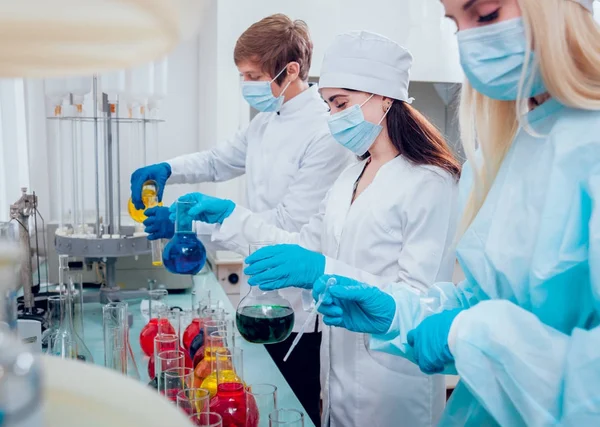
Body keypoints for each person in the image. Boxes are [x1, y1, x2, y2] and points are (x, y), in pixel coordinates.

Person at [311, 0, 600, 425]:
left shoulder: (587, 147)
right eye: (454, 24)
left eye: (485, 15)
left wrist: (475, 336)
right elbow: (481, 298)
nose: (468, 41)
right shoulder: (511, 147)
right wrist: (396, 312)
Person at [172, 31, 462, 427]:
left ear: (384, 97)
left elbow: (420, 299)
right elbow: (303, 244)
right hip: (337, 374)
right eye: (328, 105)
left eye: (340, 103)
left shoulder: (429, 181)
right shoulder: (350, 176)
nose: (332, 117)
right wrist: (228, 217)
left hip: (394, 383)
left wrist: (321, 270)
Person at [130, 14, 352, 424]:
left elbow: (288, 227)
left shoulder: (325, 131)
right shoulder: (267, 120)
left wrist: (191, 227)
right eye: (242, 75)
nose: (246, 84)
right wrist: (167, 168)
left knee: (287, 408)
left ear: (291, 70)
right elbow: (218, 160)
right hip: (260, 296)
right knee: (253, 399)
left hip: (299, 313)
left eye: (252, 75)